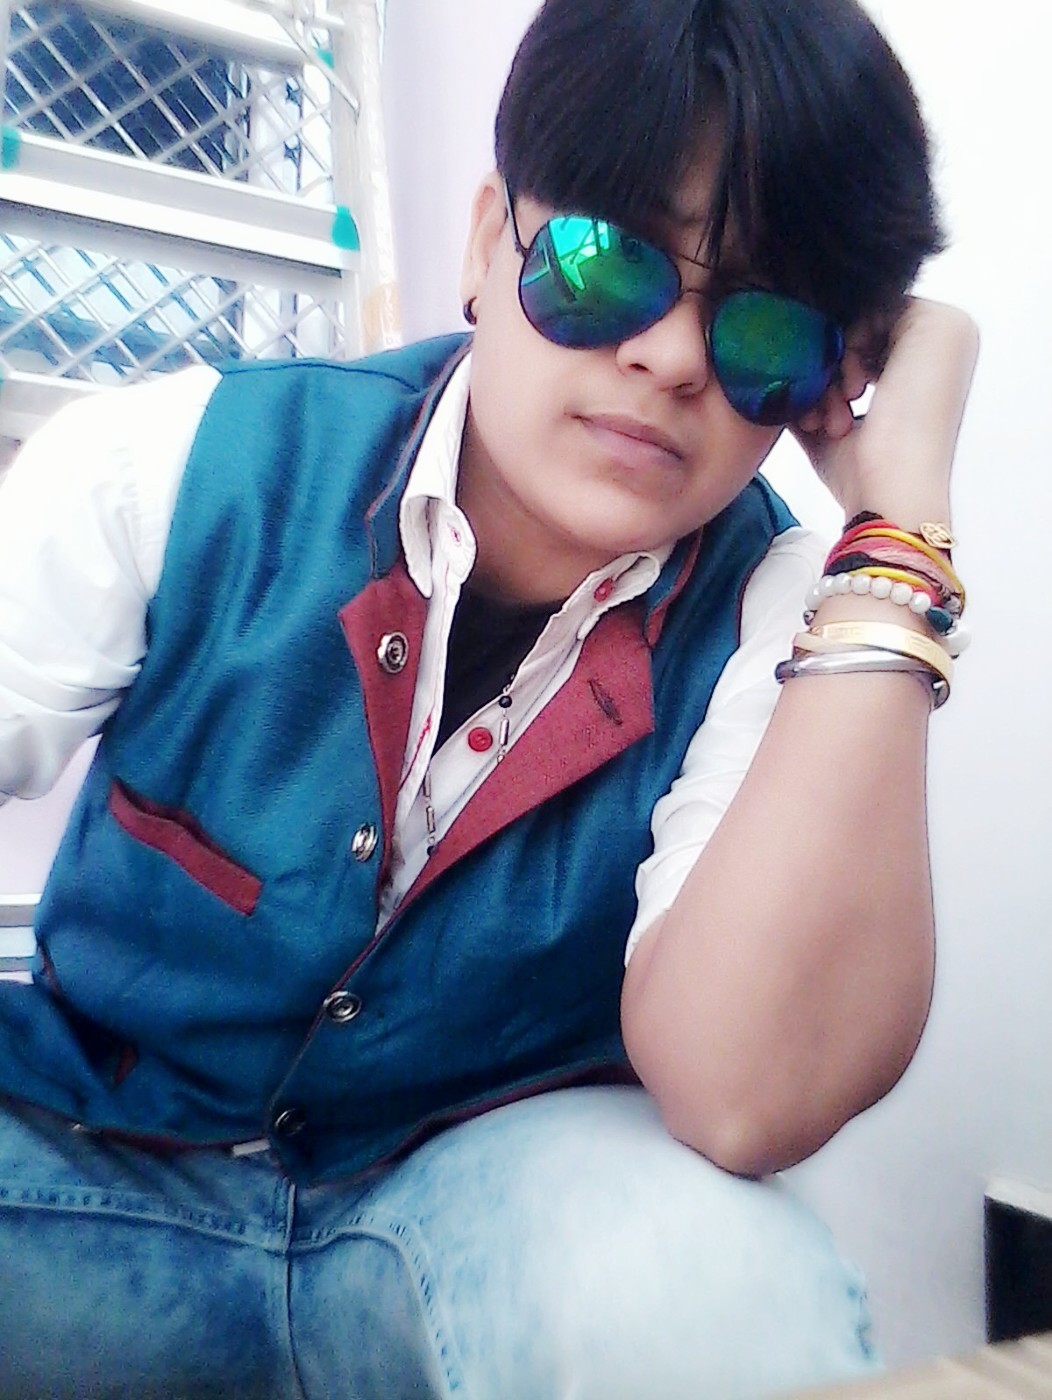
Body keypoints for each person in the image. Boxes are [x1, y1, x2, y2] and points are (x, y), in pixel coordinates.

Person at [0, 0, 978, 1395]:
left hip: (459, 1227)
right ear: (484, 243)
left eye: (769, 327)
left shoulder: (783, 619)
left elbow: (746, 1093)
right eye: (604, 261)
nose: (672, 357)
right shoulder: (179, 465)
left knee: (706, 1281)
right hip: (86, 1182)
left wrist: (899, 541)